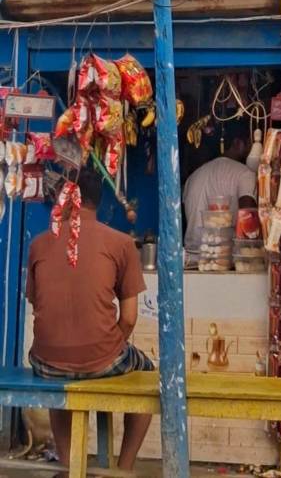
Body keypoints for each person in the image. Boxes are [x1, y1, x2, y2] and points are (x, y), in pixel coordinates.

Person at [26, 166, 154, 472]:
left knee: (58, 379)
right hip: (104, 358)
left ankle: (70, 468)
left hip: (46, 362)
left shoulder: (38, 244)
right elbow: (129, 318)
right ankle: (122, 470)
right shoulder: (121, 243)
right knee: (147, 374)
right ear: (99, 201)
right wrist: (107, 348)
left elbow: (38, 306)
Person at [183, 118, 257, 263]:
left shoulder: (193, 176)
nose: (250, 149)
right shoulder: (245, 174)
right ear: (237, 143)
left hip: (190, 260)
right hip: (223, 260)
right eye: (249, 144)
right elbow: (247, 218)